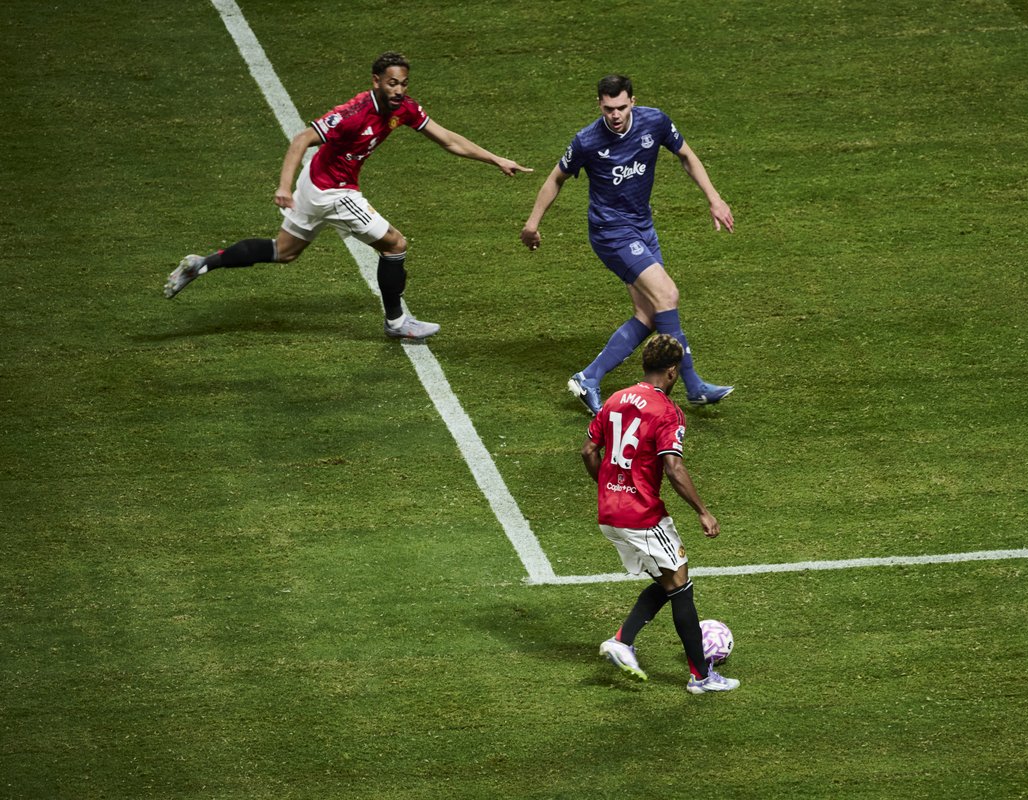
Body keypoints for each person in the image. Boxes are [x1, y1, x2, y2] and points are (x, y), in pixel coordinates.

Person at [165, 51, 531, 340]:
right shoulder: (353, 113)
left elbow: (448, 139)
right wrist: (282, 186)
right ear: (376, 81)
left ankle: (202, 264)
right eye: (392, 83)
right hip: (332, 191)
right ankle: (397, 321)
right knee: (395, 245)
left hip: (316, 181)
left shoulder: (404, 108)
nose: (399, 90)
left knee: (284, 252)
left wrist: (495, 159)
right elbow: (301, 139)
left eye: (403, 84)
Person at [521, 74, 734, 412]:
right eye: (608, 109)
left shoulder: (655, 121)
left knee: (649, 313)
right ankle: (694, 386)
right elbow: (556, 178)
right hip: (611, 232)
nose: (615, 115)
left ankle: (588, 377)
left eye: (621, 107)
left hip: (642, 227)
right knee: (667, 295)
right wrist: (532, 224)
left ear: (633, 101)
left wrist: (714, 198)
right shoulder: (587, 141)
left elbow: (686, 155)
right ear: (599, 105)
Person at [581, 333, 739, 694]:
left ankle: (624, 640)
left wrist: (608, 488)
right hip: (641, 515)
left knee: (667, 580)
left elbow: (588, 450)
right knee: (680, 585)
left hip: (609, 514)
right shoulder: (667, 412)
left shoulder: (616, 399)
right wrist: (703, 511)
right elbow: (674, 468)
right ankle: (701, 677)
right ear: (672, 371)